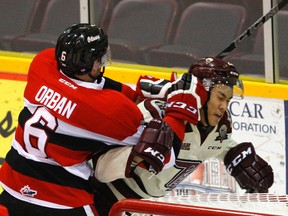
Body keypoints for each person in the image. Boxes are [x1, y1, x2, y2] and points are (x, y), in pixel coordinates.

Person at [0, 23, 198, 215]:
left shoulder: (42, 65)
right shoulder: (108, 111)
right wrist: (180, 109)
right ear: (90, 63)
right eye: (100, 58)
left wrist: (136, 94)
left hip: (11, 188)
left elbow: (90, 85)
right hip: (61, 202)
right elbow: (164, 153)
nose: (103, 62)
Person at [90, 57, 274, 216]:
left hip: (140, 206)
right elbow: (97, 164)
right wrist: (136, 155)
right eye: (220, 97)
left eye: (228, 100)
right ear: (201, 93)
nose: (223, 106)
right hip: (104, 199)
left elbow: (219, 146)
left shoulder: (221, 127)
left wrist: (237, 157)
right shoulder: (156, 113)